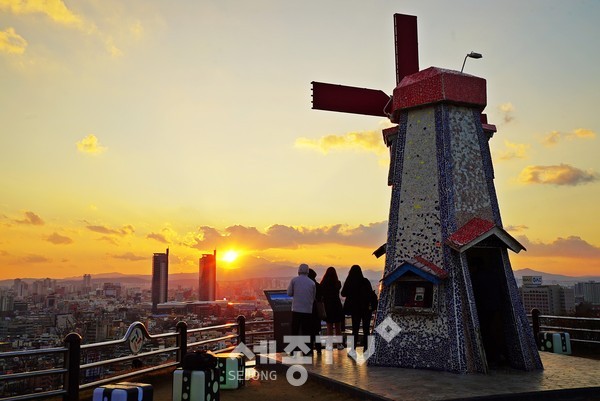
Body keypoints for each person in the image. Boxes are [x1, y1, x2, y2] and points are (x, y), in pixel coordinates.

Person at [341, 265, 377, 357]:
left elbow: (343, 293)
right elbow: (370, 294)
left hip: (355, 309)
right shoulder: (365, 281)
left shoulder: (350, 281)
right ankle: (367, 348)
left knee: (355, 329)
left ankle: (352, 350)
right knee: (366, 329)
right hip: (366, 309)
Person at [287, 263, 316, 354]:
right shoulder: (312, 283)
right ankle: (307, 350)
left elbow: (289, 293)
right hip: (308, 310)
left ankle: (292, 350)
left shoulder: (294, 280)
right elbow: (313, 297)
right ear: (307, 271)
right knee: (306, 331)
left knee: (295, 330)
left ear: (299, 271)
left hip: (296, 309)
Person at [320, 266, 344, 350]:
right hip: (337, 306)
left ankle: (329, 345)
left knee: (329, 327)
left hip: (328, 306)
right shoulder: (338, 283)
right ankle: (339, 344)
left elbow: (321, 295)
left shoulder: (323, 283)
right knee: (338, 327)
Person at [308, 269, 323, 354]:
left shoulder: (308, 285)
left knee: (309, 331)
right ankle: (319, 349)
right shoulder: (318, 285)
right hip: (317, 312)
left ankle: (309, 349)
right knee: (316, 331)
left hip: (309, 311)